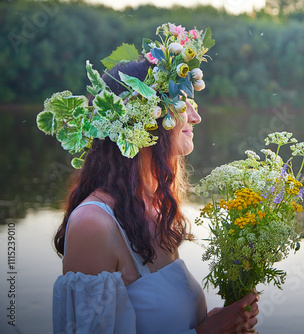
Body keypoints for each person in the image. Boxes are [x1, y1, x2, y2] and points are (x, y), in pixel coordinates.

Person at [41, 23, 259, 334]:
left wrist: (214, 321)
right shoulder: (94, 224)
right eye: (183, 104)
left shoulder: (155, 206)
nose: (195, 117)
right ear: (148, 117)